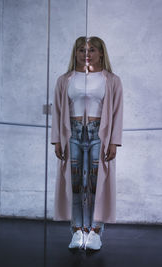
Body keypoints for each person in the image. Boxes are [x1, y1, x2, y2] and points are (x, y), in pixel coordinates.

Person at [51, 36, 123, 250]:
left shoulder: (111, 80)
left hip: (98, 136)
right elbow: (56, 111)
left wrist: (114, 142)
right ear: (76, 53)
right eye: (82, 50)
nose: (86, 53)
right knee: (75, 186)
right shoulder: (65, 80)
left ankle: (95, 232)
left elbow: (117, 113)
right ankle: (77, 232)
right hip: (72, 134)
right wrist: (56, 140)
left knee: (94, 185)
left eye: (92, 49)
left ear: (101, 53)